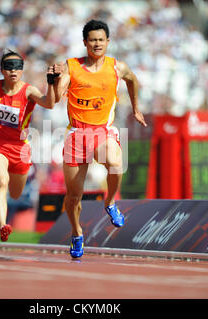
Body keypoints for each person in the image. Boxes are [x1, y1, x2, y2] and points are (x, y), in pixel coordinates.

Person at [52, 20, 148, 258]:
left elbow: (133, 80)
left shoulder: (117, 67)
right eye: (92, 40)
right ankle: (77, 233)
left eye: (101, 40)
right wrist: (54, 82)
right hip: (76, 134)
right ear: (85, 42)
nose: (97, 44)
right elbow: (56, 98)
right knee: (74, 196)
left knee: (116, 163)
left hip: (102, 131)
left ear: (107, 42)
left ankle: (110, 202)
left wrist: (136, 109)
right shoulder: (71, 66)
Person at [0, 50, 57, 242]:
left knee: (16, 192)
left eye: (18, 67)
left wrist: (51, 84)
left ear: (21, 70)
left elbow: (49, 104)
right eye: (9, 67)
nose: (13, 71)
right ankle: (3, 225)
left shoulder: (28, 91)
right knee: (1, 181)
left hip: (20, 148)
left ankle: (4, 217)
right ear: (2, 70)